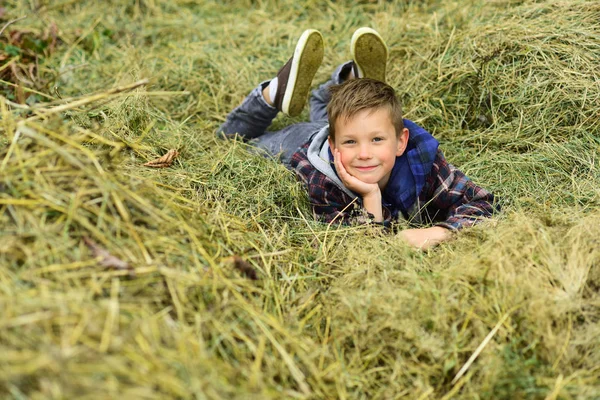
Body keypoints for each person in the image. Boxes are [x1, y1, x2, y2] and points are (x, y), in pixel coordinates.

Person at [219, 28, 498, 249]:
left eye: (377, 140)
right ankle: (274, 93)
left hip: (343, 124)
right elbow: (362, 247)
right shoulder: (321, 180)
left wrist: (440, 232)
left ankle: (351, 81)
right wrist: (371, 197)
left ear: (401, 141)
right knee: (233, 139)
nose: (364, 154)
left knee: (340, 116)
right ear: (334, 145)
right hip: (304, 141)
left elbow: (482, 204)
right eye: (351, 143)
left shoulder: (422, 158)